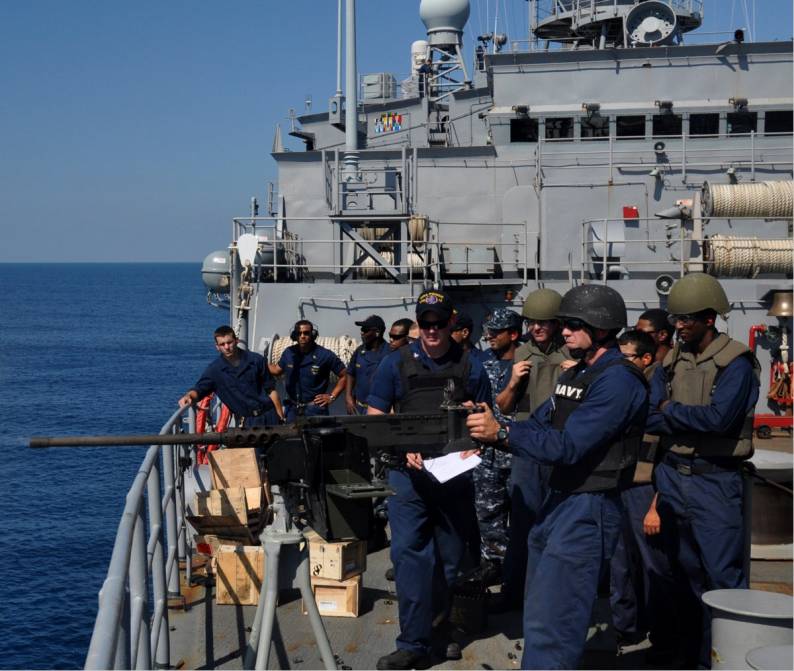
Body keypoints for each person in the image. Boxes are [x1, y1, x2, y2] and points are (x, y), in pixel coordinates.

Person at [467, 284, 649, 669]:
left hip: (589, 505)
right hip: (559, 499)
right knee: (539, 609)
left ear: (600, 328)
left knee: (558, 619)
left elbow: (568, 445)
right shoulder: (580, 375)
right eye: (564, 324)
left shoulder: (618, 381)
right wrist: (491, 424)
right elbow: (537, 424)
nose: (563, 331)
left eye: (572, 324)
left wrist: (501, 434)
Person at [368, 290, 492, 671]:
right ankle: (413, 643)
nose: (433, 330)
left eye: (439, 323)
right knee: (409, 558)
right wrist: (401, 445)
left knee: (449, 562)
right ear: (418, 324)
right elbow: (376, 415)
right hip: (408, 479)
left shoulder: (472, 366)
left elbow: (487, 415)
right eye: (426, 323)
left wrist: (478, 445)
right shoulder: (395, 364)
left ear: (452, 323)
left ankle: (442, 631)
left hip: (454, 477)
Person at [646, 273, 760, 668]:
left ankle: (728, 660)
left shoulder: (737, 363)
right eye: (676, 318)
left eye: (688, 319)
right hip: (673, 476)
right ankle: (690, 656)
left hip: (715, 481)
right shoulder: (672, 361)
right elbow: (649, 415)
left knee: (722, 580)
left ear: (710, 318)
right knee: (681, 577)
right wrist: (673, 416)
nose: (679, 326)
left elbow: (718, 422)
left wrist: (669, 412)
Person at [493, 288, 569, 611]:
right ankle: (513, 593)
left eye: (544, 322)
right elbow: (503, 406)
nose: (537, 328)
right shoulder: (520, 354)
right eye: (533, 322)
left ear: (556, 323)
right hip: (526, 452)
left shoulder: (572, 355)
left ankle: (548, 595)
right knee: (521, 523)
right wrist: (512, 381)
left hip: (558, 450)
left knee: (557, 524)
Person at [609, 329, 676, 659]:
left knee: (653, 566)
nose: (619, 364)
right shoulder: (621, 386)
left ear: (646, 359)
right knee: (620, 564)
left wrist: (655, 504)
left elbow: (663, 456)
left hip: (644, 489)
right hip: (618, 485)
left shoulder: (655, 389)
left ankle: (662, 637)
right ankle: (625, 627)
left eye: (626, 357)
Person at [472, 308, 523, 586]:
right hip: (488, 453)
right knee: (488, 512)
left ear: (513, 334)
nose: (489, 336)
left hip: (519, 450)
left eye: (496, 331)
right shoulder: (481, 362)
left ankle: (519, 567)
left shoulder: (529, 360)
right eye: (488, 330)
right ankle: (493, 563)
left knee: (523, 513)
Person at [178, 325, 284, 427]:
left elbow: (271, 390)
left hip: (269, 415)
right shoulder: (215, 370)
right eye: (222, 344)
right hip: (248, 421)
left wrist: (280, 417)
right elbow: (199, 389)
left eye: (229, 342)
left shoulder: (256, 360)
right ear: (217, 347)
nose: (227, 347)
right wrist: (189, 396)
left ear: (236, 341)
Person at [268, 320, 347, 421]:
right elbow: (277, 370)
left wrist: (332, 397)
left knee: (317, 437)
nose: (302, 336)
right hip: (292, 409)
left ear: (313, 334)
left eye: (306, 333)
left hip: (315, 409)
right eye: (299, 333)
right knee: (292, 436)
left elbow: (345, 375)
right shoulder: (289, 353)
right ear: (294, 335)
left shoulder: (324, 355)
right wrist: (258, 362)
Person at [345, 315, 390, 415]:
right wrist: (348, 397)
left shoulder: (389, 353)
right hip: (358, 408)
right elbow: (350, 373)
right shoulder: (360, 350)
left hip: (379, 411)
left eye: (365, 330)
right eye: (361, 329)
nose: (361, 332)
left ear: (377, 332)